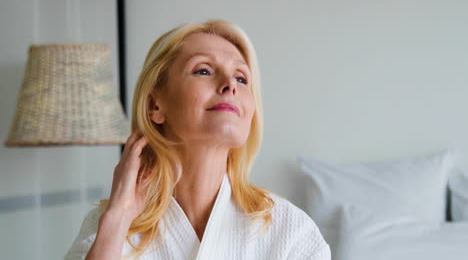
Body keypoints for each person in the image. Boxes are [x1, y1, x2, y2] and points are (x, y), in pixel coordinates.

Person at [64, 19, 331, 260]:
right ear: (155, 106)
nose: (230, 84)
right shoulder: (109, 226)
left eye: (241, 77)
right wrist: (117, 220)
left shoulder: (290, 232)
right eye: (203, 71)